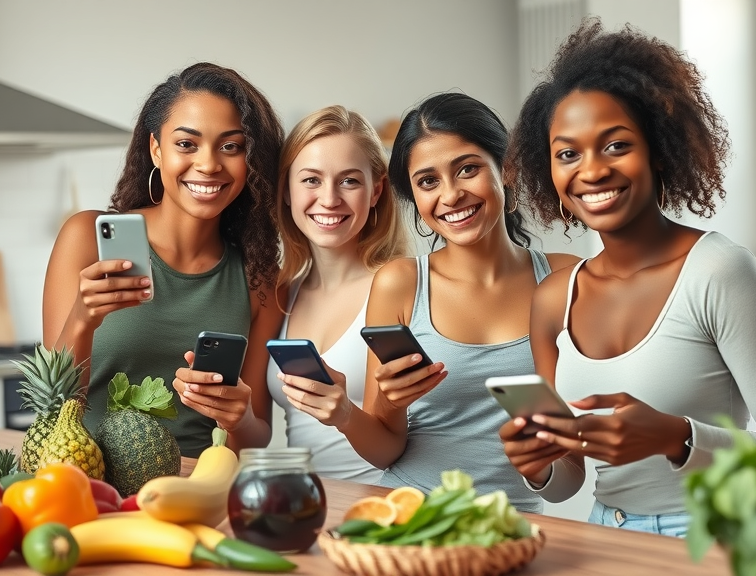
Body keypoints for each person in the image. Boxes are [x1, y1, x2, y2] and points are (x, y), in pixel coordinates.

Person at [499, 18, 756, 536]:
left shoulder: (719, 272)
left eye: (616, 145)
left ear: (660, 151)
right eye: (568, 153)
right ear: (549, 173)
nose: (592, 170)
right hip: (609, 535)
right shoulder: (554, 298)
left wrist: (677, 438)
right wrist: (537, 466)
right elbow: (567, 478)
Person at [335, 92, 580, 513]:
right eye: (428, 181)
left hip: (509, 527)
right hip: (410, 514)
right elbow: (384, 451)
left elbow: (569, 480)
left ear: (507, 169)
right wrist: (379, 406)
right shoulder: (401, 283)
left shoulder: (566, 280)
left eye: (467, 169)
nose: (450, 196)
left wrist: (539, 466)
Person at [42, 62, 285, 457]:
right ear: (156, 149)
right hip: (88, 478)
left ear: (250, 161)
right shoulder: (85, 237)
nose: (208, 164)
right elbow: (51, 410)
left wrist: (237, 417)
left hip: (194, 486)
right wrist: (82, 320)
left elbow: (258, 435)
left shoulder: (259, 278)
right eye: (186, 144)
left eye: (231, 146)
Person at [266, 105, 407, 484]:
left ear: (376, 190)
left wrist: (345, 413)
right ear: (286, 191)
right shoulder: (283, 293)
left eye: (349, 181)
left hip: (380, 510)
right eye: (311, 180)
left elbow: (393, 447)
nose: (329, 199)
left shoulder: (398, 287)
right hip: (306, 506)